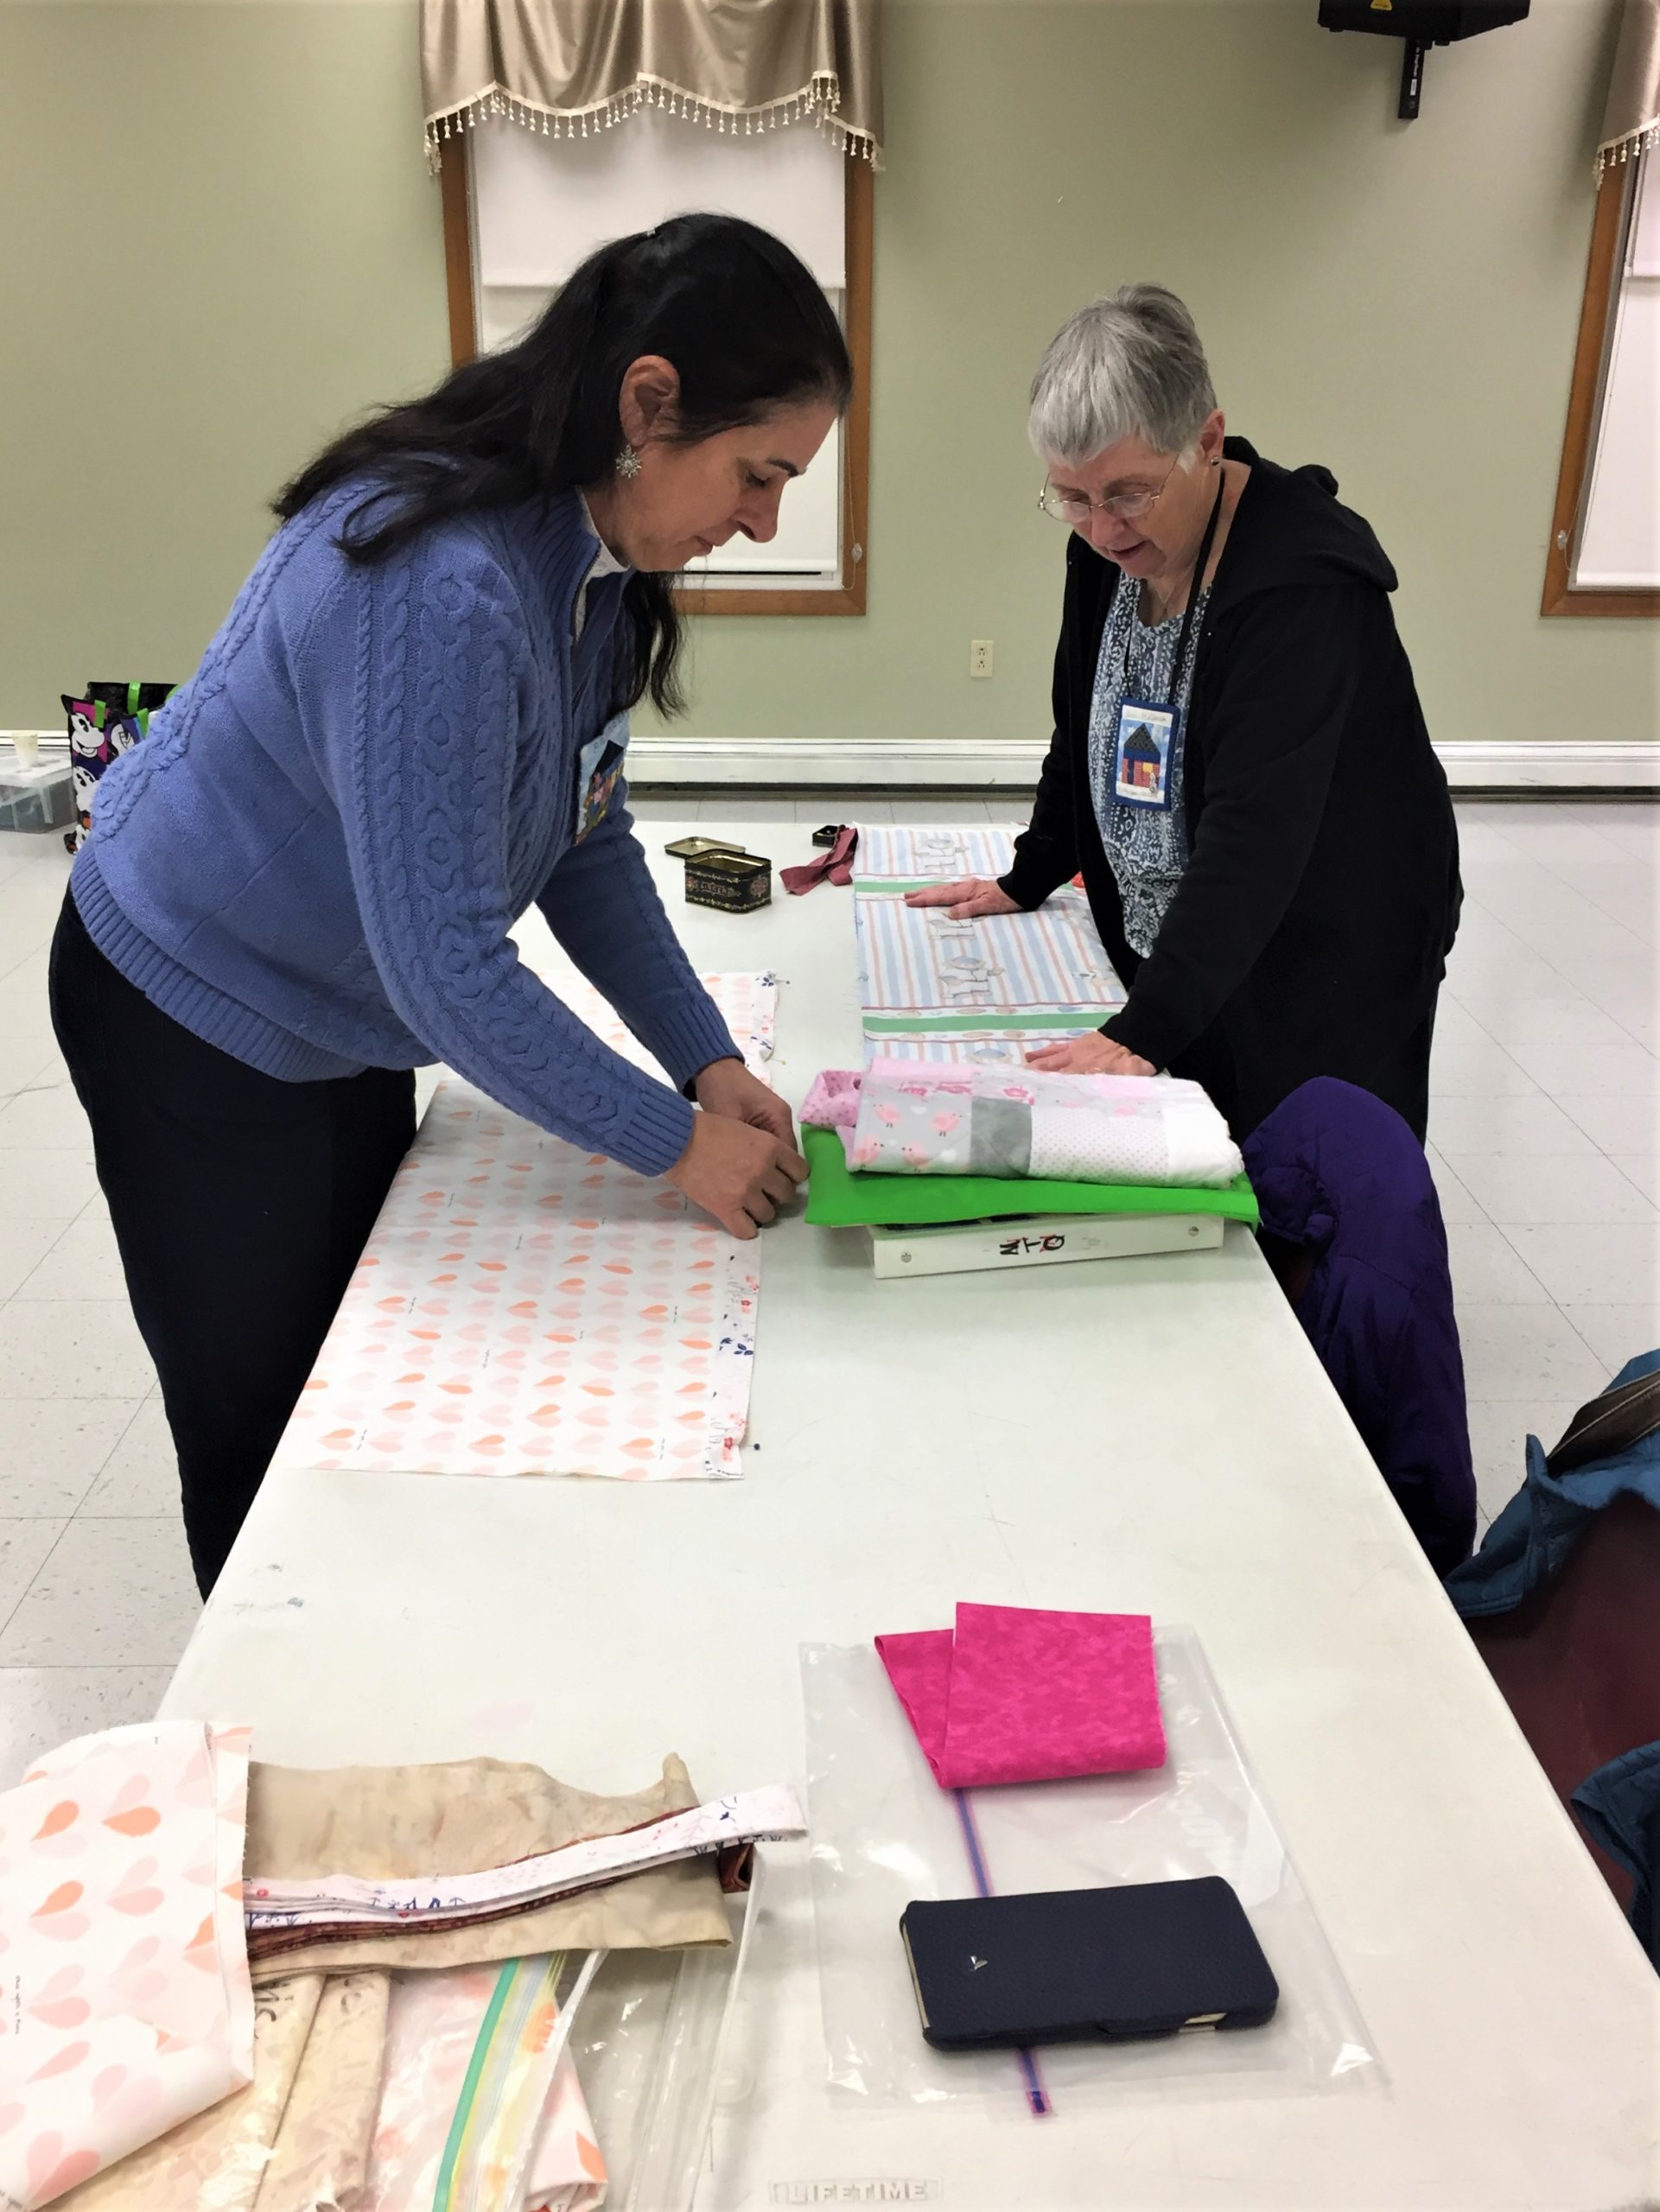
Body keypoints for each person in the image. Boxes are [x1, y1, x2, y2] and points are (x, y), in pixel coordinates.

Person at [49, 213, 849, 1593]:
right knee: (263, 1414)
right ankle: (271, 1696)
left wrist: (705, 1061)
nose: (763, 522)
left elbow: (585, 840)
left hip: (335, 1000)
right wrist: (675, 1143)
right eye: (757, 474)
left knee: (353, 1350)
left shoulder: (590, 560)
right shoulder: (442, 580)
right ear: (648, 405)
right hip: (190, 999)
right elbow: (443, 966)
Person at [908, 283, 1460, 1143]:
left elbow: (1256, 835)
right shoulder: (1103, 551)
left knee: (1306, 1183)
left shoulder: (1299, 591)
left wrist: (1144, 1028)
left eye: (1127, 493)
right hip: (1193, 952)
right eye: (1071, 497)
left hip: (1324, 953)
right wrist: (1032, 872)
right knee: (1198, 1161)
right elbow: (1082, 726)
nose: (1102, 530)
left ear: (1205, 440)